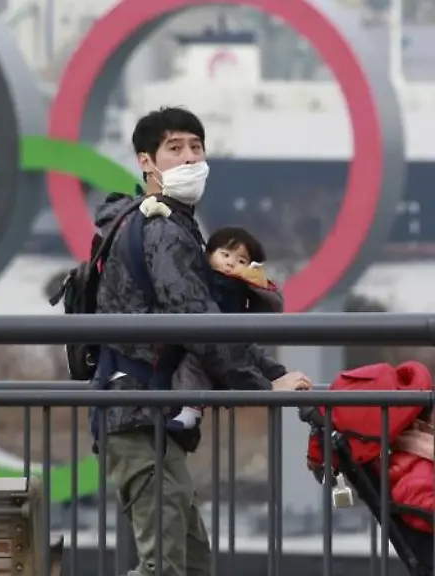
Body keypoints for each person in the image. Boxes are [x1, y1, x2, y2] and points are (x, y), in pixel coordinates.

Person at [91, 107, 312, 576]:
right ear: (146, 161)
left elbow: (208, 319)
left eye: (196, 147)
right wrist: (263, 386)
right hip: (139, 412)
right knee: (166, 567)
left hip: (146, 412)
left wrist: (272, 372)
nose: (190, 158)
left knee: (190, 563)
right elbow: (200, 325)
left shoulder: (158, 223)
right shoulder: (163, 231)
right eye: (175, 148)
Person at [165, 225, 283, 442]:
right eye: (225, 255)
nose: (230, 263)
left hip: (237, 340)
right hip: (211, 341)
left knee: (261, 360)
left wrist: (259, 284)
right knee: (192, 367)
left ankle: (283, 378)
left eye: (241, 260)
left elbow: (271, 309)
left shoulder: (245, 286)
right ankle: (190, 409)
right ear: (209, 255)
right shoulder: (202, 278)